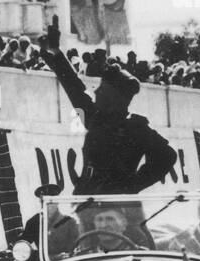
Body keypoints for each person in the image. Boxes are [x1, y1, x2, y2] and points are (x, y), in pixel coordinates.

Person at [40, 15, 177, 195]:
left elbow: (167, 156)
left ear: (114, 98)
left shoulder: (135, 127)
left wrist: (132, 186)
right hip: (86, 205)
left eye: (101, 90)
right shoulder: (94, 118)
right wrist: (56, 52)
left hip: (118, 210)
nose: (95, 92)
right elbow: (74, 88)